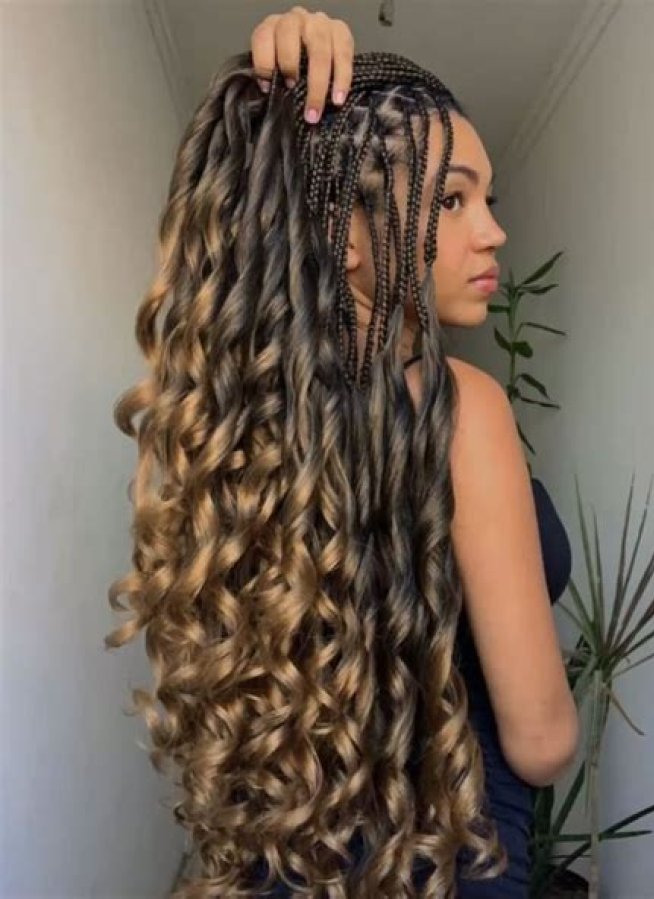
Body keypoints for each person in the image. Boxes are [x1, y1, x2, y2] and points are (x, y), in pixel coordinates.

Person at [105, 7, 579, 898]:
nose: (492, 232)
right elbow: (543, 743)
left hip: (286, 864)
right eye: (453, 198)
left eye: (490, 201)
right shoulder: (463, 406)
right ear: (346, 229)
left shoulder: (244, 427)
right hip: (450, 862)